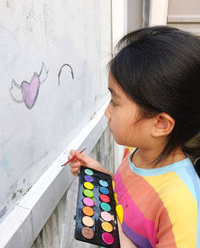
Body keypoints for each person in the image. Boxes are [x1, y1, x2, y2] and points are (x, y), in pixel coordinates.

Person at [69, 26, 200, 248]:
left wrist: (114, 233)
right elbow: (130, 199)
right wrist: (100, 176)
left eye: (115, 102)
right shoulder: (136, 151)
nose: (106, 112)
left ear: (160, 124)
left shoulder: (183, 204)